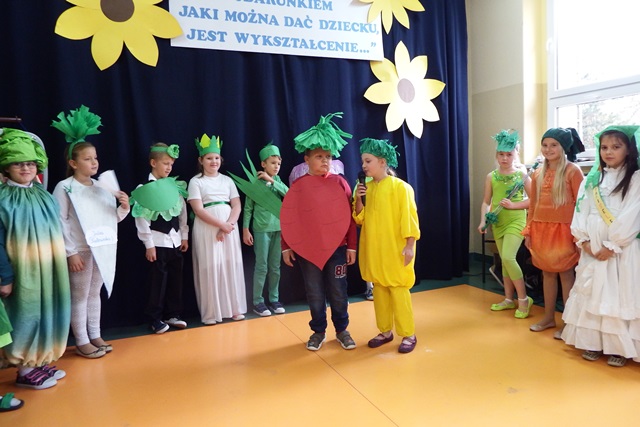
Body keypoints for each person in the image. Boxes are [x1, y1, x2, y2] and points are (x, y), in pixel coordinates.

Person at [52, 106, 130, 358]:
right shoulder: (65, 187)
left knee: (95, 293)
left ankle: (95, 334)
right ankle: (82, 341)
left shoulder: (102, 186)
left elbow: (109, 220)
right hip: (80, 251)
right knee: (80, 296)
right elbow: (59, 221)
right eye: (87, 159)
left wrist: (123, 208)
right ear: (73, 163)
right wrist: (71, 252)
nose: (94, 162)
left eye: (95, 157)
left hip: (100, 250)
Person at [561, 126, 640, 367]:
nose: (609, 152)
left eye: (616, 147)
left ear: (628, 150)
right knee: (593, 291)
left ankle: (620, 348)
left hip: (620, 249)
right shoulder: (593, 179)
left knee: (617, 293)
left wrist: (613, 244)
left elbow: (633, 214)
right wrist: (583, 239)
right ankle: (594, 342)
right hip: (592, 248)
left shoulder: (635, 178)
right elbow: (581, 209)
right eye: (604, 147)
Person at [0, 127, 71, 390]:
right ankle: (25, 368)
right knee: (26, 313)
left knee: (47, 310)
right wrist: (5, 276)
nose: (26, 168)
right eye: (18, 163)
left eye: (30, 163)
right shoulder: (3, 198)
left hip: (49, 268)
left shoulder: (42, 194)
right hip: (22, 271)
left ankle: (40, 359)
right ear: (6, 167)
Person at [280, 112, 357, 351]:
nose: (325, 161)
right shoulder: (299, 186)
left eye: (328, 156)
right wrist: (286, 246)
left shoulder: (340, 183)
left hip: (337, 249)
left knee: (338, 291)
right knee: (314, 292)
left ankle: (342, 330)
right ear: (307, 159)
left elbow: (349, 217)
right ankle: (318, 331)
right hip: (308, 250)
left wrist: (352, 246)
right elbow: (290, 218)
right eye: (319, 156)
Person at [353, 138, 421, 353]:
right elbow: (359, 218)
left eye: (368, 161)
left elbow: (409, 218)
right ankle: (385, 331)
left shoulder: (401, 188)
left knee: (398, 290)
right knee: (380, 290)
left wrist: (409, 246)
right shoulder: (364, 187)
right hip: (374, 248)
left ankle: (408, 334)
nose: (364, 165)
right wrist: (359, 199)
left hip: (395, 249)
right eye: (363, 161)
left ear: (382, 162)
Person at [523, 128, 584, 336]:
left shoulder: (572, 171)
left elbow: (581, 205)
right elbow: (533, 205)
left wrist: (578, 234)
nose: (548, 149)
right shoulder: (537, 173)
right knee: (547, 274)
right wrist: (529, 230)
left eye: (554, 145)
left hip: (564, 231)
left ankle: (568, 322)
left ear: (563, 147)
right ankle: (549, 317)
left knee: (566, 274)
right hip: (541, 229)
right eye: (545, 145)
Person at [188, 134, 246, 325]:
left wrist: (228, 225)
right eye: (209, 158)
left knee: (230, 264)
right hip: (207, 228)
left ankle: (234, 308)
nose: (213, 161)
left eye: (216, 158)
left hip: (229, 227)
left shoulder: (227, 181)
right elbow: (198, 209)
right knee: (211, 266)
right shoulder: (196, 181)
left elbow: (236, 205)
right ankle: (212, 313)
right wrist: (220, 225)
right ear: (201, 160)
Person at [131, 143, 189, 333]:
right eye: (165, 163)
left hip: (175, 240)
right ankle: (154, 318)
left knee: (175, 280)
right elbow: (141, 218)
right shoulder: (144, 188)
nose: (169, 167)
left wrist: (184, 235)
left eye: (171, 164)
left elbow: (182, 211)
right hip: (157, 242)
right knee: (157, 282)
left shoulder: (173, 186)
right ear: (153, 163)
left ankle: (173, 314)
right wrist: (148, 244)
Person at [478, 130, 533, 318]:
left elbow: (535, 200)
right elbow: (486, 202)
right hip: (498, 222)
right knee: (504, 261)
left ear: (516, 154)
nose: (504, 158)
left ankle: (524, 299)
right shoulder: (491, 176)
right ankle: (509, 299)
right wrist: (483, 220)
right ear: (496, 155)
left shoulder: (521, 175)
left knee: (509, 257)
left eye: (509, 154)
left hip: (516, 220)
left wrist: (514, 205)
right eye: (501, 154)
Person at [239, 143, 288, 317]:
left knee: (275, 266)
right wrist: (245, 229)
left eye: (279, 163)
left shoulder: (278, 181)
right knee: (262, 266)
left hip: (278, 229)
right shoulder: (255, 183)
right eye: (273, 163)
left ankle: (274, 299)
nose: (276, 166)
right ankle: (258, 301)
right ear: (263, 164)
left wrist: (273, 181)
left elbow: (289, 195)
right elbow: (248, 209)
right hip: (261, 229)